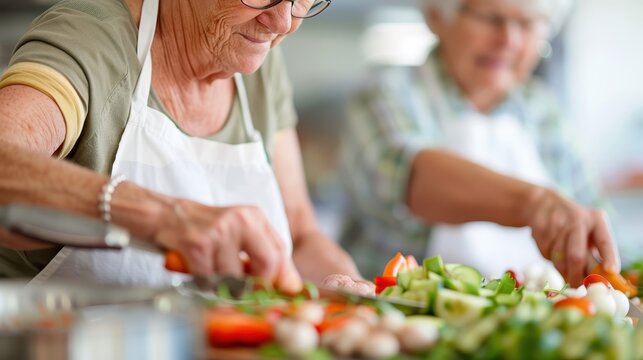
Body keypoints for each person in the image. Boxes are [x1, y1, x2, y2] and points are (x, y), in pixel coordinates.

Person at [0, 0, 372, 295]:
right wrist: (163, 217)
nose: (282, 22)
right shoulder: (93, 38)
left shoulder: (258, 63)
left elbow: (301, 236)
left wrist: (345, 289)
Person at [340, 0, 620, 286]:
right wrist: (535, 204)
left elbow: (598, 224)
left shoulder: (544, 112)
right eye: (490, 18)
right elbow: (407, 176)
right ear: (437, 17)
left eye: (526, 24)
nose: (508, 40)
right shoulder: (387, 91)